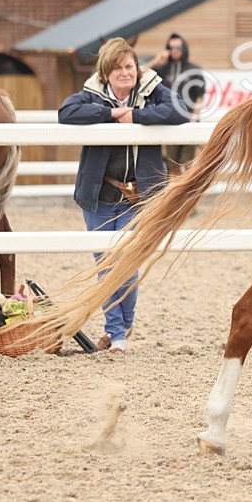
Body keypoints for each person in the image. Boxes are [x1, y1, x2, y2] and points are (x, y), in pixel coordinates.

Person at [59, 38, 188, 352]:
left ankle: (122, 327)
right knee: (105, 265)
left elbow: (178, 110)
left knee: (127, 264)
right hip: (99, 194)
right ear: (106, 73)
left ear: (137, 68)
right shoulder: (91, 93)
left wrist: (137, 117)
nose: (125, 73)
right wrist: (111, 114)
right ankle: (117, 333)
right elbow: (67, 112)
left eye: (129, 66)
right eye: (117, 68)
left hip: (138, 196)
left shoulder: (152, 89)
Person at [150, 33, 206, 175]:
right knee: (172, 165)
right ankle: (174, 194)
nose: (174, 50)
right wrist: (157, 60)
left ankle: (187, 195)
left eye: (178, 47)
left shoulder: (194, 69)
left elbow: (200, 96)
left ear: (184, 48)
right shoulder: (162, 69)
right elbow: (141, 74)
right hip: (170, 122)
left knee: (188, 164)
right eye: (171, 47)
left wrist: (194, 117)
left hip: (189, 122)